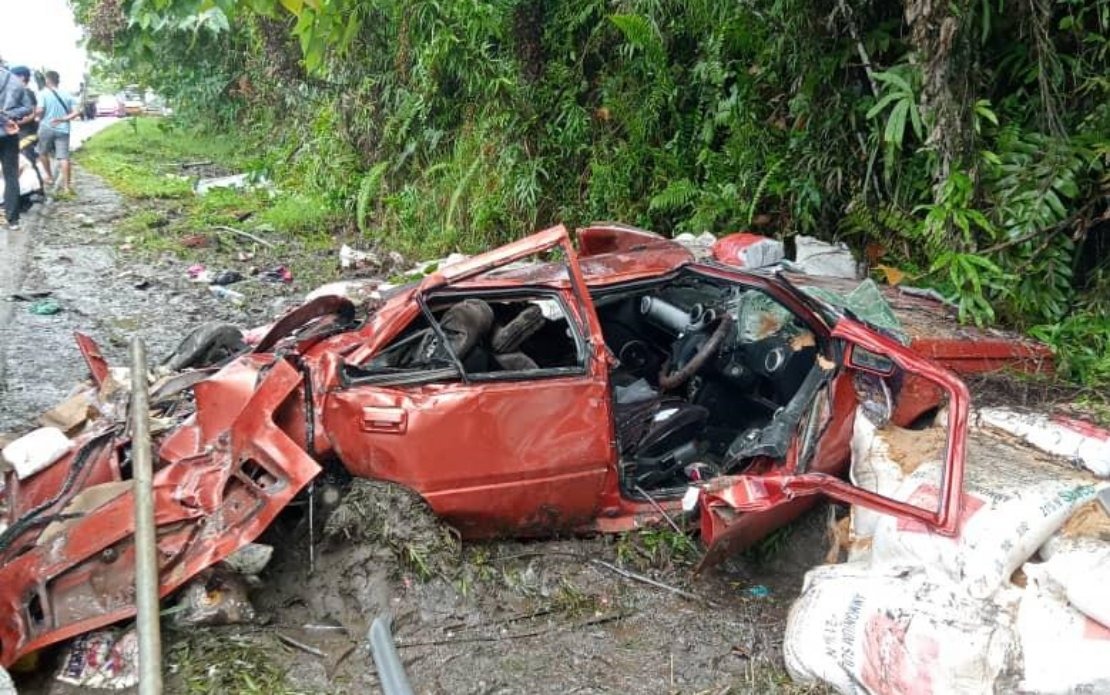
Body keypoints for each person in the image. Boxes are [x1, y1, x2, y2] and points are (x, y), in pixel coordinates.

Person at [37, 70, 81, 195]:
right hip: (63, 129)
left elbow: (40, 110)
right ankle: (66, 187)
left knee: (42, 153)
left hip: (46, 127)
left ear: (47, 80)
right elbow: (77, 112)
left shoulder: (43, 94)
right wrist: (63, 119)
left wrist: (35, 115)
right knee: (64, 157)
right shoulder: (67, 95)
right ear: (58, 81)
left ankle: (50, 177)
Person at [1, 63, 32, 230]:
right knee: (11, 176)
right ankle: (13, 220)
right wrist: (9, 115)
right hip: (9, 133)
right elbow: (27, 108)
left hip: (7, 131)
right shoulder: (15, 80)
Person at [10, 67, 45, 199]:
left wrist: (15, 124)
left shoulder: (26, 92)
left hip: (27, 133)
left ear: (22, 77)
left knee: (28, 160)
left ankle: (39, 191)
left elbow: (31, 113)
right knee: (19, 162)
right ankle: (25, 191)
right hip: (17, 134)